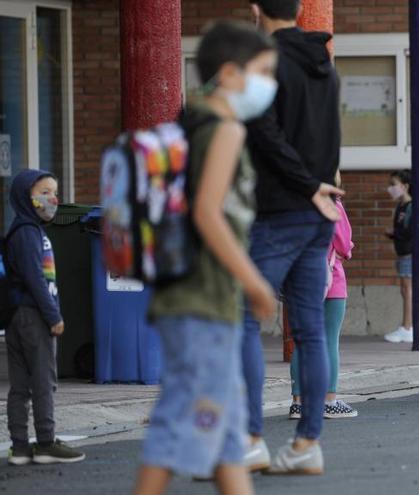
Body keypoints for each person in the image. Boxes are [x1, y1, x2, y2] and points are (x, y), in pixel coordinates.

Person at [134, 21, 278, 494]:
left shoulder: (188, 120)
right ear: (231, 73)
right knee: (185, 413)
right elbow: (207, 214)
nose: (268, 84)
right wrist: (254, 281)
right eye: (263, 72)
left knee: (224, 421)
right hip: (205, 296)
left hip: (183, 293)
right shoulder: (225, 130)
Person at [244, 0, 343, 474]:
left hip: (280, 211)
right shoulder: (326, 66)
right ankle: (307, 444)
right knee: (309, 330)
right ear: (301, 9)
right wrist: (318, 186)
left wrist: (303, 184)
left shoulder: (267, 62)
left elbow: (262, 132)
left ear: (255, 9)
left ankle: (250, 439)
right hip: (321, 212)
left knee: (243, 317)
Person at [5, 170, 85, 466]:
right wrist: (53, 315)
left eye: (55, 192)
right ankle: (46, 442)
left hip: (21, 315)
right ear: (27, 197)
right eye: (46, 192)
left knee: (22, 385)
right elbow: (35, 278)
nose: (54, 199)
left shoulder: (28, 230)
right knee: (43, 381)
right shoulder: (26, 232)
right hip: (33, 316)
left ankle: (21, 447)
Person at [290, 172, 357, 419]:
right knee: (329, 339)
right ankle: (329, 399)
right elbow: (343, 244)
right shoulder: (333, 205)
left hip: (301, 278)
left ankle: (298, 401)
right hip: (331, 280)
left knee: (301, 340)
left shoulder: (295, 205)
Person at [383, 170, 414, 344]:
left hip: (409, 253)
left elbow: (411, 231)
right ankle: (406, 326)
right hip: (402, 252)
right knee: (405, 289)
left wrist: (396, 233)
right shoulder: (400, 207)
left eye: (393, 184)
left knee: (407, 289)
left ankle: (407, 327)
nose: (391, 189)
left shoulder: (411, 206)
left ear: (405, 186)